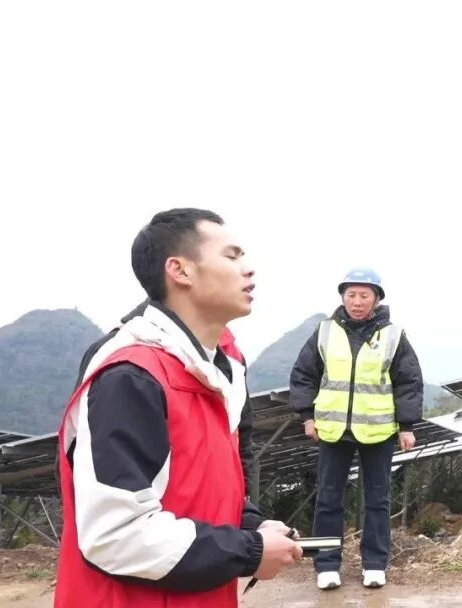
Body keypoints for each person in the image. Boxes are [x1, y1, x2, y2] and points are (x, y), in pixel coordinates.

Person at [54, 208, 302, 607]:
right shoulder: (132, 376)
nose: (248, 269)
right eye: (232, 255)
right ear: (180, 270)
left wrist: (252, 525)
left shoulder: (222, 367)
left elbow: (203, 485)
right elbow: (115, 535)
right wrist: (249, 550)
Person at [289, 267, 424, 590]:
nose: (357, 301)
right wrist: (307, 416)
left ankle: (375, 564)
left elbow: (408, 382)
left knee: (378, 499)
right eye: (351, 294)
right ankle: (326, 565)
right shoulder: (325, 332)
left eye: (364, 295)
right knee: (328, 498)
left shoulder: (393, 336)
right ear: (343, 297)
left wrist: (406, 427)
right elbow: (303, 374)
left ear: (376, 299)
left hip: (378, 432)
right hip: (333, 430)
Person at [75, 301, 261, 497]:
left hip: (221, 508)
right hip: (161, 510)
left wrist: (245, 505)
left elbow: (242, 437)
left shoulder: (231, 356)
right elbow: (94, 462)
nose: (247, 278)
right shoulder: (123, 358)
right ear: (181, 280)